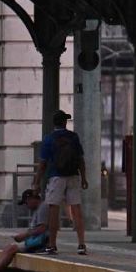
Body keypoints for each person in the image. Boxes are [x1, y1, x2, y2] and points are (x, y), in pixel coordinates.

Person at [32, 109, 89, 255]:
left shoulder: (48, 139)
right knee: (76, 209)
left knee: (54, 210)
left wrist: (36, 183)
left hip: (56, 177)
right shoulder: (73, 137)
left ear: (54, 123)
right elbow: (81, 160)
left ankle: (52, 244)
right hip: (73, 176)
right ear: (64, 122)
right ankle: (81, 244)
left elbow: (43, 164)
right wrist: (83, 178)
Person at [0, 190, 51, 272]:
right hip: (34, 240)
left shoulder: (43, 208)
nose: (26, 206)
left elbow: (42, 228)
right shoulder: (38, 209)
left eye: (26, 203)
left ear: (30, 199)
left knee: (11, 249)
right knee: (8, 247)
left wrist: (24, 235)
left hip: (40, 243)